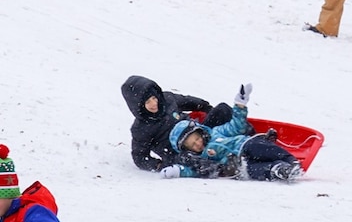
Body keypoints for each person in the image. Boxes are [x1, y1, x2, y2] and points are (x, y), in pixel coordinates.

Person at [161, 84, 303, 182]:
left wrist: (239, 105)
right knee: (251, 170)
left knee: (259, 148)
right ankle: (279, 170)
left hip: (244, 145)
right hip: (239, 163)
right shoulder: (201, 159)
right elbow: (194, 171)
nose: (198, 144)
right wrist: (178, 171)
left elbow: (237, 126)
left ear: (200, 133)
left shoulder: (216, 133)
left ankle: (291, 161)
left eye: (197, 139)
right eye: (192, 145)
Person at [122, 75, 234, 171]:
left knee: (223, 109)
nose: (154, 103)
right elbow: (140, 157)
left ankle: (247, 135)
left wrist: (208, 109)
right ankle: (224, 168)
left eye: (153, 98)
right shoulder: (141, 129)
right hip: (179, 152)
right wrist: (158, 165)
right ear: (138, 106)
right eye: (147, 102)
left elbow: (190, 102)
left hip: (197, 133)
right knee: (186, 160)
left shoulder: (167, 99)